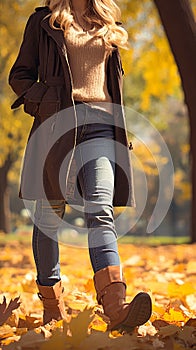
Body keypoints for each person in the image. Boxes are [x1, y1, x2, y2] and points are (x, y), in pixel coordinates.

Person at [9, 0, 152, 333]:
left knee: (99, 209)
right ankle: (52, 305)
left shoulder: (106, 21)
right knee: (48, 216)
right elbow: (20, 75)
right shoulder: (44, 21)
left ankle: (116, 306)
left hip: (102, 127)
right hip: (57, 125)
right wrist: (43, 101)